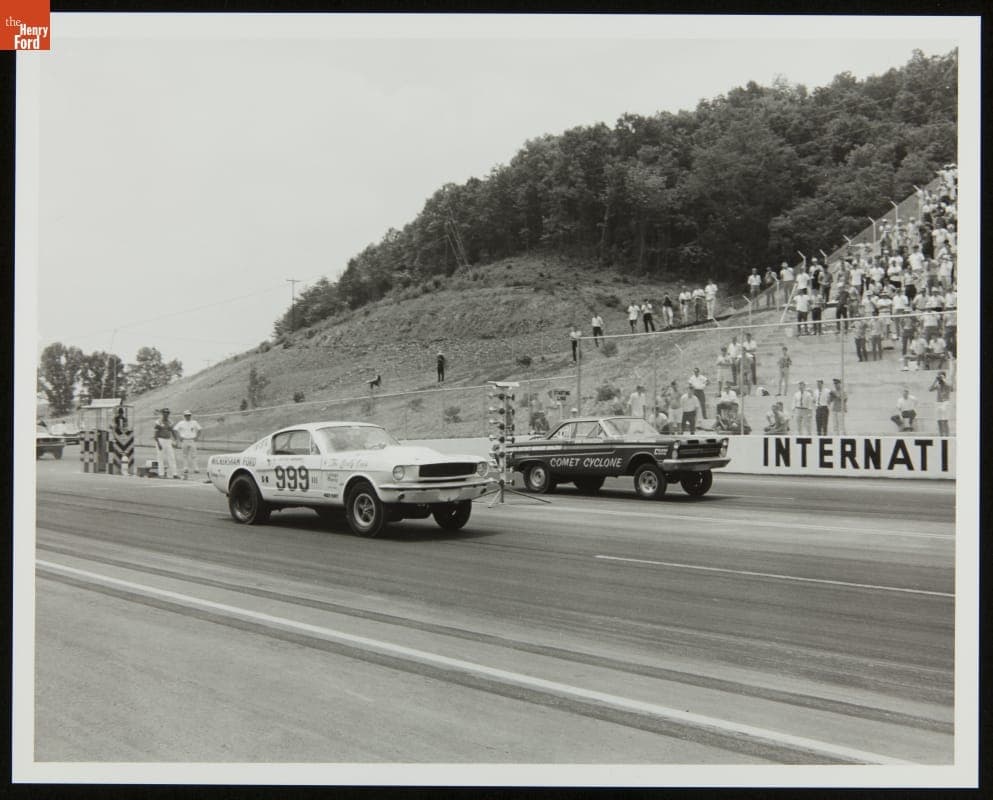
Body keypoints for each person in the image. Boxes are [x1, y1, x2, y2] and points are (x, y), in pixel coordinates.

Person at [173, 409, 203, 479]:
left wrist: (197, 437)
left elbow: (200, 429)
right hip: (184, 440)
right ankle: (185, 468)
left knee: (194, 455)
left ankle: (196, 468)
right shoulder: (181, 423)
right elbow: (175, 429)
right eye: (186, 415)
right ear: (184, 416)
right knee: (184, 455)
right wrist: (179, 437)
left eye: (189, 415)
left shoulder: (194, 422)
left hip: (192, 440)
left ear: (190, 415)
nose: (188, 416)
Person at [154, 408, 179, 479]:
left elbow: (173, 431)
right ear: (162, 413)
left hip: (168, 440)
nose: (166, 414)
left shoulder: (170, 422)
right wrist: (158, 443)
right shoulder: (158, 422)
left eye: (167, 413)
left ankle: (175, 474)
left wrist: (176, 440)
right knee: (160, 457)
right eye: (164, 412)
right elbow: (155, 434)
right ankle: (161, 474)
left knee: (172, 457)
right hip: (160, 439)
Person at [929, 371, 952, 436]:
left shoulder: (947, 383)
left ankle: (947, 436)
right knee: (939, 421)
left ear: (944, 376)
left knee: (945, 421)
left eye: (940, 376)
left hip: (945, 403)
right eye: (938, 376)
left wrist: (943, 379)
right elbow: (930, 389)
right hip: (938, 403)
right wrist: (935, 380)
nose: (939, 377)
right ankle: (941, 436)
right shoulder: (938, 385)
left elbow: (951, 388)